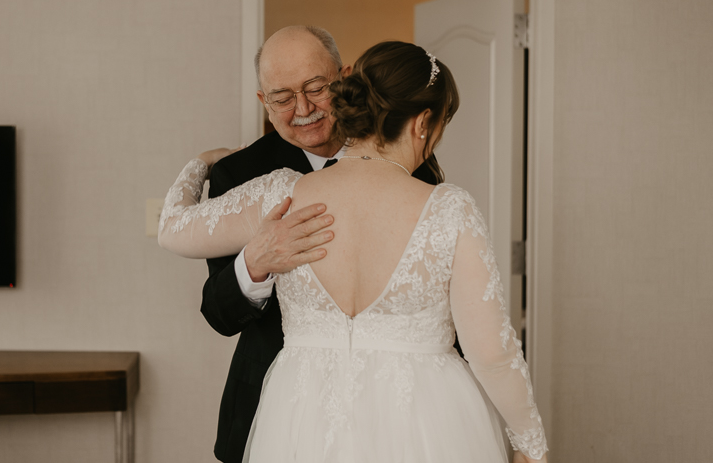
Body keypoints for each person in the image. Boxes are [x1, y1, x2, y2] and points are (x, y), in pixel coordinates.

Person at [159, 41, 548, 462]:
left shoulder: (279, 190)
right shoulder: (450, 208)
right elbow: (491, 353)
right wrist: (531, 445)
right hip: (424, 420)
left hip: (300, 418)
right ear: (422, 123)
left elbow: (172, 230)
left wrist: (198, 164)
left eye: (313, 88)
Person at [198, 26, 440, 463]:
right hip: (276, 418)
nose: (303, 109)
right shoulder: (237, 175)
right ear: (263, 103)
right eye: (283, 97)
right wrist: (255, 262)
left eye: (316, 87)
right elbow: (219, 314)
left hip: (393, 411)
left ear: (344, 78)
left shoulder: (405, 157)